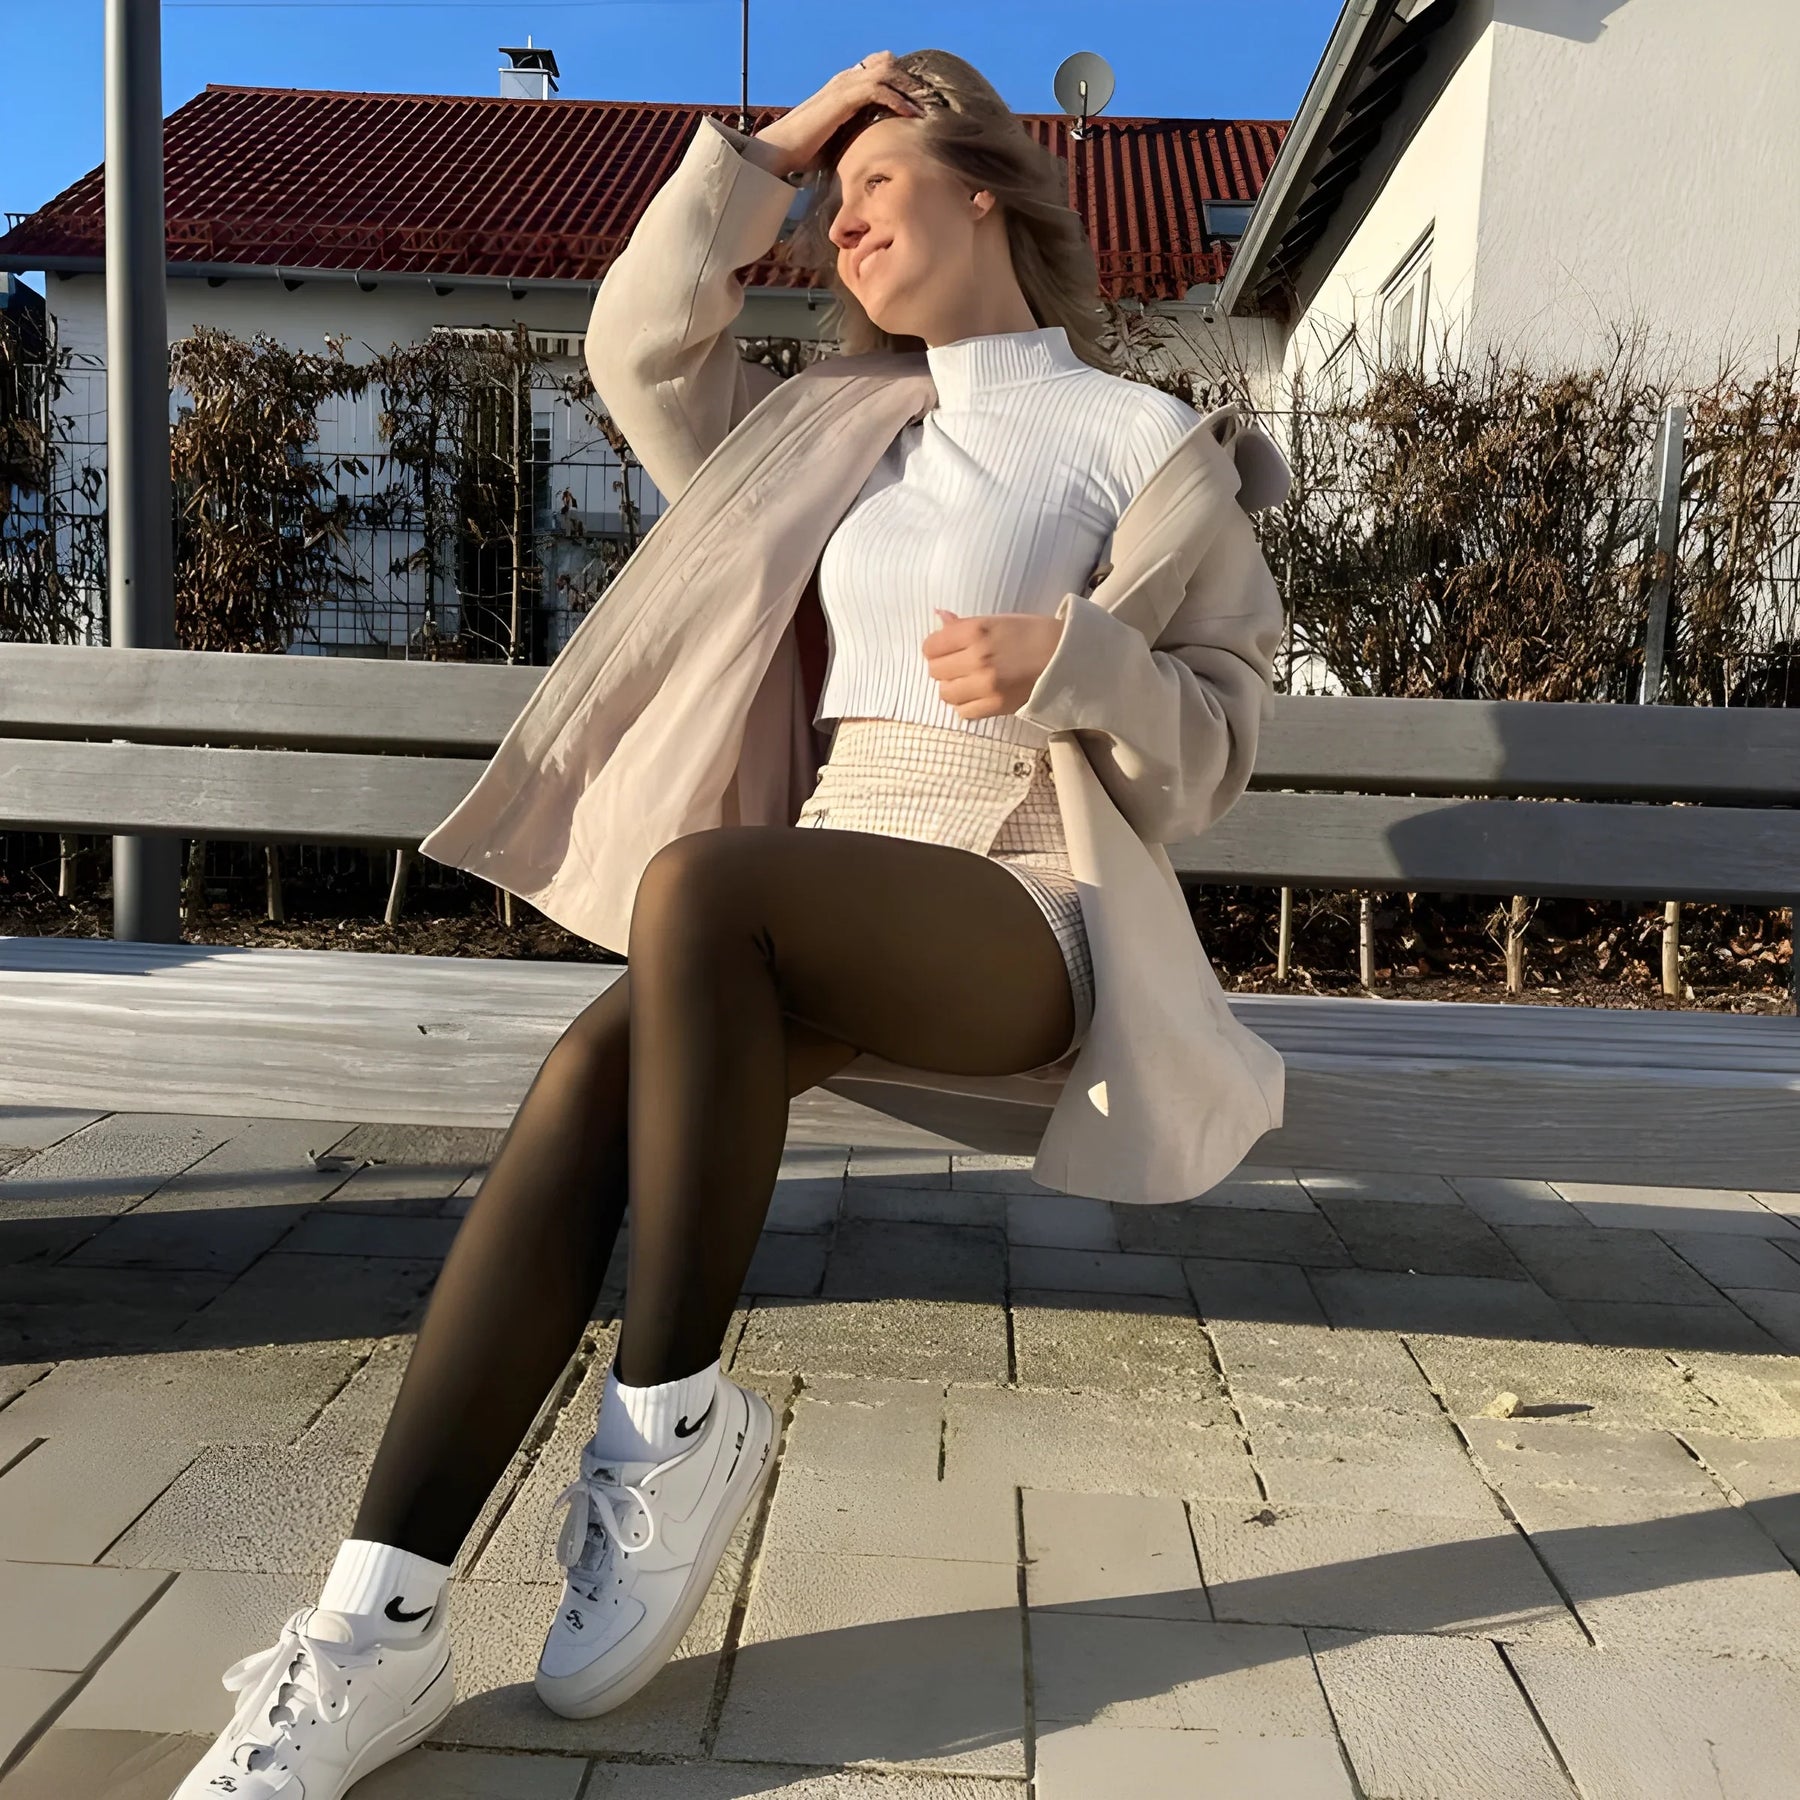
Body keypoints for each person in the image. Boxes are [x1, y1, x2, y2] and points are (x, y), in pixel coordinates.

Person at [171, 47, 1287, 1800]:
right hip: (810, 893)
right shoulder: (827, 430)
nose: (838, 228)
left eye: (874, 192)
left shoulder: (1143, 443)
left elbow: (1218, 737)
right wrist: (782, 134)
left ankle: (672, 1426)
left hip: (1022, 909)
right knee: (585, 1086)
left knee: (702, 888)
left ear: (983, 192)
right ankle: (371, 1627)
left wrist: (1086, 663)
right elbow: (636, 344)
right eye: (826, 205)